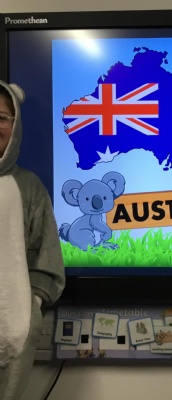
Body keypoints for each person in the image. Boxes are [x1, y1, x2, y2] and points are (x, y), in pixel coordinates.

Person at [0, 80, 65, 400]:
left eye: (1, 117)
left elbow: (47, 251)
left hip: (12, 326)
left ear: (15, 125)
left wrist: (32, 304)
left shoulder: (29, 187)